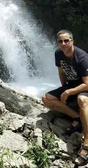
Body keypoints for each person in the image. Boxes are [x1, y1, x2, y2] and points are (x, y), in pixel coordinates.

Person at [42, 29, 88, 167]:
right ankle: (77, 117)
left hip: (85, 88)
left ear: (72, 41)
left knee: (82, 100)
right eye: (60, 41)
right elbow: (61, 72)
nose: (63, 43)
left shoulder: (82, 58)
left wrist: (68, 93)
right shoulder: (59, 53)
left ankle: (87, 142)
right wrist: (64, 89)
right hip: (71, 86)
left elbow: (87, 84)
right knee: (46, 99)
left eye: (66, 40)